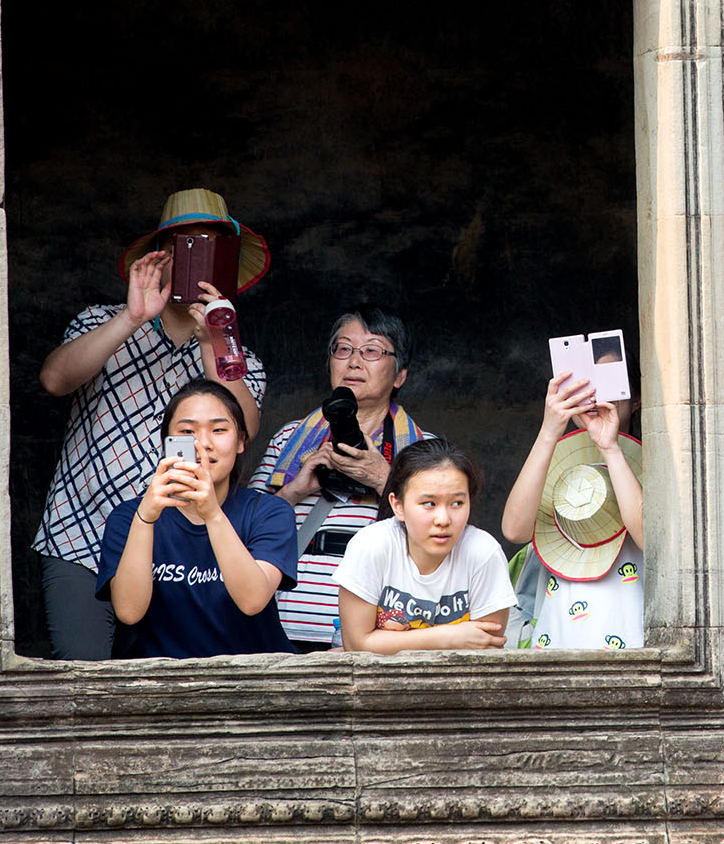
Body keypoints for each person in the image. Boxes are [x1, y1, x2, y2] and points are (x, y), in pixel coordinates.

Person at [32, 188, 271, 660]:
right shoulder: (101, 322)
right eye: (187, 246)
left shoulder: (236, 358)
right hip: (82, 531)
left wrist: (214, 340)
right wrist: (134, 315)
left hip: (175, 548)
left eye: (211, 247)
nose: (198, 260)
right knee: (84, 678)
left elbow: (245, 427)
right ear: (162, 258)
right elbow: (54, 380)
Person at [247, 305, 430, 650]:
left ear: (399, 375)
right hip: (282, 620)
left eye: (372, 351)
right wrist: (293, 490)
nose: (354, 362)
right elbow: (241, 532)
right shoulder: (289, 439)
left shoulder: (425, 450)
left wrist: (384, 479)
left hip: (374, 629)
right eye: (343, 349)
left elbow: (441, 538)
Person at [95, 378, 300, 658]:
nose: (203, 444)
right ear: (167, 442)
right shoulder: (129, 516)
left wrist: (212, 513)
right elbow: (129, 612)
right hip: (162, 681)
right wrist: (145, 518)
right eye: (187, 431)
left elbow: (253, 600)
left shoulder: (269, 512)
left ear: (241, 441)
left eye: (218, 430)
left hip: (254, 679)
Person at [500, 369, 644, 650]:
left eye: (609, 380)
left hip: (629, 629)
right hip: (558, 632)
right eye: (586, 383)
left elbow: (651, 540)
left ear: (636, 397)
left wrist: (610, 448)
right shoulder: (551, 456)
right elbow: (514, 530)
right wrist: (549, 429)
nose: (596, 395)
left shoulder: (657, 457)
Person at [335, 439, 514, 652]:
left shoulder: (483, 553)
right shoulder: (372, 545)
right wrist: (448, 637)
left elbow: (487, 646)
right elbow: (357, 645)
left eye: (457, 503)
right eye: (429, 504)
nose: (443, 519)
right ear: (397, 505)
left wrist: (388, 642)